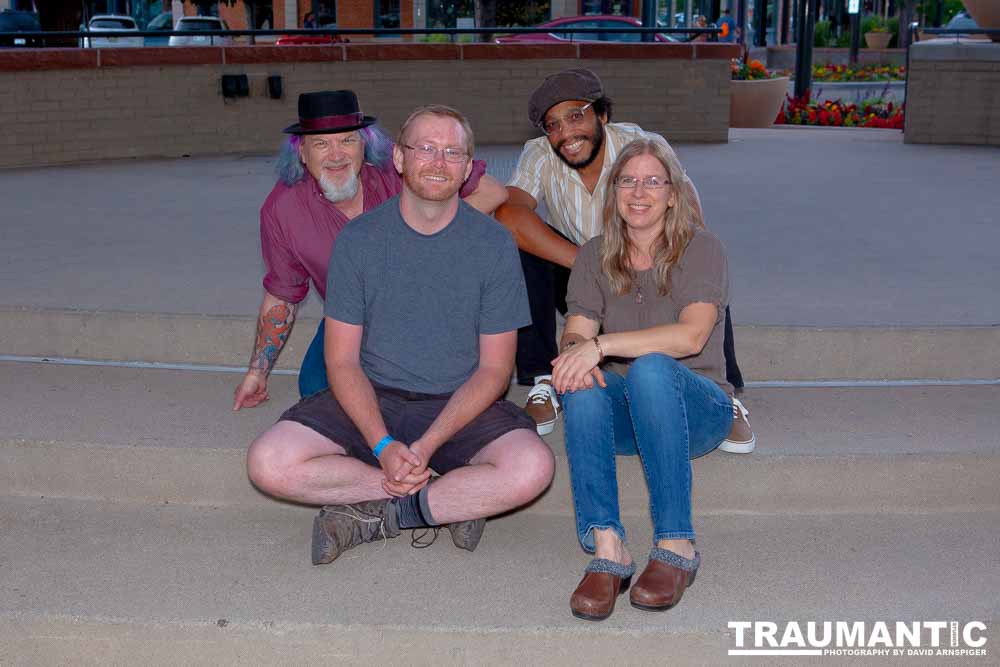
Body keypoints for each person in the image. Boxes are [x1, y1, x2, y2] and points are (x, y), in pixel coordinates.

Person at [246, 105, 555, 565]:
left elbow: (495, 369)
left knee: (534, 468)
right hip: (374, 393)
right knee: (267, 462)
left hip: (459, 401)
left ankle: (383, 515)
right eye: (425, 148)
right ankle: (447, 500)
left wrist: (425, 445)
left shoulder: (492, 243)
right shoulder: (359, 240)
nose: (438, 161)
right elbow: (343, 361)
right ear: (399, 159)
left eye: (453, 152)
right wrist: (384, 446)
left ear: (468, 167)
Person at [494, 68, 753, 453]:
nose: (565, 133)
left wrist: (637, 263)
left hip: (649, 264)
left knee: (701, 261)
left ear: (602, 115)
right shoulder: (539, 154)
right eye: (553, 124)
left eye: (576, 116)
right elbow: (509, 215)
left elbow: (691, 221)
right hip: (580, 265)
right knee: (517, 249)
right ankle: (545, 379)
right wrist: (588, 261)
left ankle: (722, 392)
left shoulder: (640, 146)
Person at [232, 90, 507, 411]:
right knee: (316, 391)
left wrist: (432, 231)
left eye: (347, 140)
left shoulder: (399, 169)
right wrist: (257, 371)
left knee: (456, 390)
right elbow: (282, 294)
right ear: (302, 153)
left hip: (435, 307)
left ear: (366, 144)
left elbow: (493, 191)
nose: (337, 155)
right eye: (321, 144)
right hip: (354, 318)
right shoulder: (282, 210)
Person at [553, 139, 732, 621]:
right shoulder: (594, 255)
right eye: (628, 181)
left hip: (700, 408)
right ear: (613, 193)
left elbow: (692, 336)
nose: (639, 191)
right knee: (583, 380)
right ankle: (609, 550)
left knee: (652, 366)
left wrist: (604, 347)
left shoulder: (701, 247)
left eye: (653, 181)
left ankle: (677, 544)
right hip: (634, 413)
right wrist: (577, 353)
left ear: (673, 194)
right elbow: (578, 330)